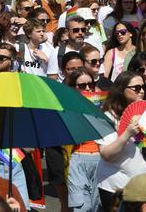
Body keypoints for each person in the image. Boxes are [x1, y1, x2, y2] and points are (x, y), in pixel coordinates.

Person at [97, 71, 146, 212]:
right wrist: (127, 134)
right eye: (136, 88)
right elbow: (106, 154)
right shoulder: (108, 117)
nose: (141, 91)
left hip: (145, 185)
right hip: (117, 187)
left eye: (143, 87)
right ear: (122, 90)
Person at [64, 68, 101, 212]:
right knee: (81, 207)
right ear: (73, 88)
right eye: (82, 86)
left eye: (90, 84)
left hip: (100, 158)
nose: (87, 88)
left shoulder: (102, 105)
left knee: (96, 206)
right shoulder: (67, 108)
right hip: (78, 159)